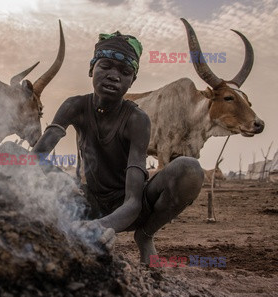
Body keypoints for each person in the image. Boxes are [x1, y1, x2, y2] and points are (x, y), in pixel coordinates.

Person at [31, 31, 204, 265]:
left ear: (132, 81)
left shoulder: (137, 119)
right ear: (92, 69)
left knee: (189, 169)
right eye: (106, 66)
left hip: (130, 207)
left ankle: (145, 235)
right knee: (12, 153)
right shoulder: (74, 106)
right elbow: (36, 159)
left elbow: (133, 202)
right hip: (85, 202)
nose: (114, 76)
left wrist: (97, 227)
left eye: (124, 72)